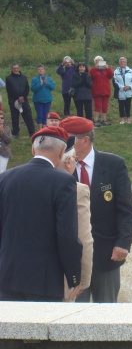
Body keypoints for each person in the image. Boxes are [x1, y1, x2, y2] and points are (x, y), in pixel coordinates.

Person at [59, 116, 132, 303]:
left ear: (85, 140)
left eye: (68, 140)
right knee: (74, 315)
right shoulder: (60, 168)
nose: (64, 146)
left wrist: (123, 243)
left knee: (107, 314)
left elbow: (127, 209)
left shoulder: (113, 165)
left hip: (106, 254)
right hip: (72, 259)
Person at [0, 126, 82, 302]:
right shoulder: (64, 181)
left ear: (32, 149)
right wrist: (74, 276)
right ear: (62, 152)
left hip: (6, 275)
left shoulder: (5, 178)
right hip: (44, 279)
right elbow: (67, 234)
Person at [58, 139, 93, 302]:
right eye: (75, 159)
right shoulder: (77, 189)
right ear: (68, 161)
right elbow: (84, 239)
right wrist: (83, 281)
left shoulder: (12, 180)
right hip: (59, 280)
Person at [5, 63, 36, 139]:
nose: (16, 69)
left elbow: (27, 88)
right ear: (12, 69)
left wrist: (23, 97)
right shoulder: (8, 78)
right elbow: (9, 90)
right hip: (13, 101)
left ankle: (32, 132)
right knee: (15, 118)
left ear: (19, 68)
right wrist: (18, 97)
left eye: (17, 68)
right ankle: (15, 133)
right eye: (14, 68)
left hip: (24, 101)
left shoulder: (24, 77)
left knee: (28, 116)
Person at [89, 55, 114, 127]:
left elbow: (111, 75)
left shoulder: (105, 69)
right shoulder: (93, 70)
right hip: (97, 90)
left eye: (100, 61)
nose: (99, 62)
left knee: (105, 106)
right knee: (98, 106)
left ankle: (104, 120)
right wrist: (95, 68)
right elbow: (90, 76)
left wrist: (108, 68)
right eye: (97, 61)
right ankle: (95, 120)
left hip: (105, 90)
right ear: (95, 62)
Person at [31, 64, 56, 129]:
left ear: (44, 70)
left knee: (46, 115)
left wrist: (47, 83)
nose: (40, 71)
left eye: (42, 69)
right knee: (40, 115)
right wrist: (40, 84)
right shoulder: (34, 79)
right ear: (37, 71)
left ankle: (45, 128)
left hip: (47, 100)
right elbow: (33, 89)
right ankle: (40, 129)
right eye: (39, 69)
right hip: (38, 100)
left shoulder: (49, 78)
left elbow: (53, 87)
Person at [114, 57, 132, 124]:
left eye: (123, 61)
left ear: (126, 63)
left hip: (129, 90)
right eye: (121, 62)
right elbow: (115, 81)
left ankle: (128, 118)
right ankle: (122, 119)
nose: (122, 63)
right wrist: (122, 87)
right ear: (119, 63)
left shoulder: (131, 71)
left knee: (128, 105)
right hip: (120, 91)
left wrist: (130, 87)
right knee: (121, 105)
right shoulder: (116, 71)